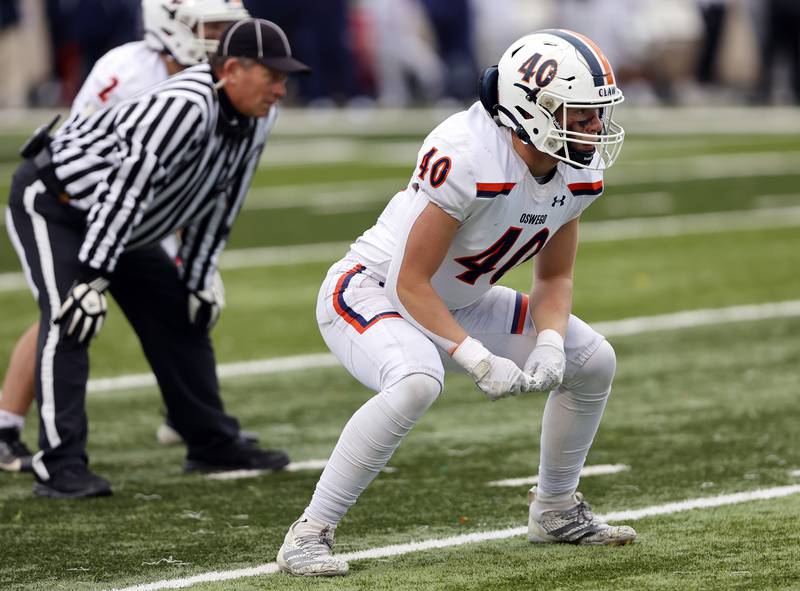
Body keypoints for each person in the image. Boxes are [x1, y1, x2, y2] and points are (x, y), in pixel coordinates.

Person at [276, 29, 636, 576]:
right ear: (530, 109)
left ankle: (556, 508)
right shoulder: (466, 154)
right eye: (578, 114)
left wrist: (551, 343)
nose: (593, 129)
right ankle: (310, 532)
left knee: (593, 362)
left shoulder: (578, 167)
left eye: (594, 115)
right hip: (372, 290)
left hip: (462, 299)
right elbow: (409, 282)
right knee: (418, 380)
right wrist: (475, 357)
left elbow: (555, 274)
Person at [5, 16, 310, 499]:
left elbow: (224, 199)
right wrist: (91, 279)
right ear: (232, 69)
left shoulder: (257, 115)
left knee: (182, 311)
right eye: (272, 76)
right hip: (58, 203)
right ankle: (59, 465)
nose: (281, 89)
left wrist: (199, 274)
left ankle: (210, 441)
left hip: (123, 220)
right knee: (72, 316)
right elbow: (126, 188)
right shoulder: (185, 105)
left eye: (284, 78)